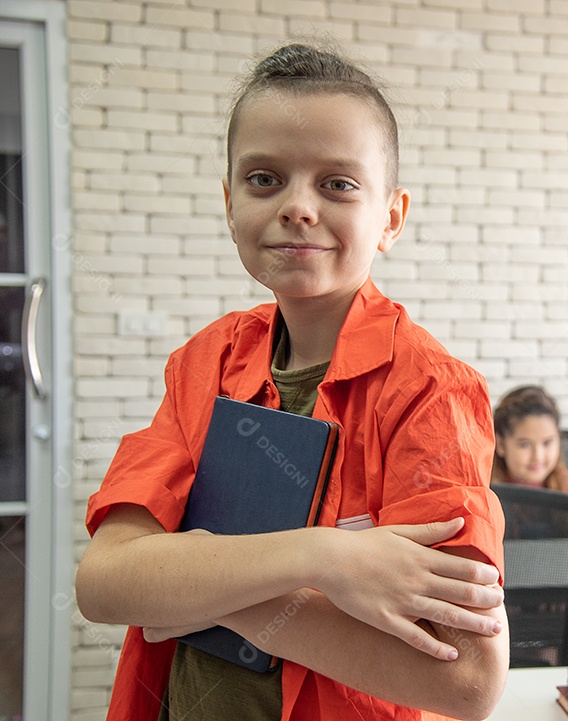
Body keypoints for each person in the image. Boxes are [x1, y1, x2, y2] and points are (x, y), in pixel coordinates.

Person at [75, 42, 508, 721]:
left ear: (391, 216)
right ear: (228, 202)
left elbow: (467, 679)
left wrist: (194, 588)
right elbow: (104, 582)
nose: (297, 207)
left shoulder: (429, 392)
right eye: (264, 179)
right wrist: (324, 558)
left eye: (337, 183)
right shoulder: (205, 363)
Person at [491, 385, 568, 497]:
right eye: (525, 445)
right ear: (501, 445)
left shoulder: (567, 486)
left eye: (547, 443)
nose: (538, 457)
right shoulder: (485, 490)